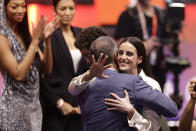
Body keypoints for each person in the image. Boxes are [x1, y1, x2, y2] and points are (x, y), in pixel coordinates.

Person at [70, 36, 178, 131]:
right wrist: (89, 74)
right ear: (115, 55)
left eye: (129, 54)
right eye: (120, 53)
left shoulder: (149, 84)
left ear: (139, 59)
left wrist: (131, 111)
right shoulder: (97, 81)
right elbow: (72, 88)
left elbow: (153, 127)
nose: (123, 57)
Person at [0, 0, 60, 130]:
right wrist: (36, 40)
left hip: (34, 108)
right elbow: (19, 74)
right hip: (13, 110)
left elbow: (46, 69)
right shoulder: (2, 38)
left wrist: (47, 39)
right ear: (3, 8)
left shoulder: (25, 36)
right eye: (14, 7)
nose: (20, 10)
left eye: (23, 6)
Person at [39, 0, 88, 130]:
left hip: (78, 108)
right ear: (54, 10)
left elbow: (88, 71)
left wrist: (84, 103)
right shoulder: (46, 35)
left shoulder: (82, 34)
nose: (68, 13)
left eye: (71, 8)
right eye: (63, 9)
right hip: (54, 109)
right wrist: (58, 102)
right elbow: (40, 75)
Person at [115, 0, 166, 89]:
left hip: (159, 68)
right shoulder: (127, 14)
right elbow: (119, 43)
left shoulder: (162, 14)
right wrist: (143, 46)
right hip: (136, 70)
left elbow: (172, 42)